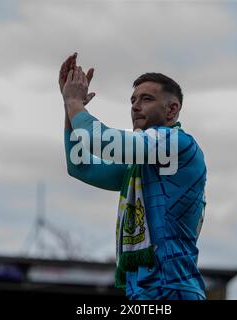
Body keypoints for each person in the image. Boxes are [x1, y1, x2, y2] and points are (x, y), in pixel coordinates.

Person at [59, 52, 207, 300]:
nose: (136, 106)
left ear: (172, 110)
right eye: (133, 100)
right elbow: (80, 166)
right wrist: (69, 107)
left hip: (173, 292)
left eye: (146, 99)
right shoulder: (141, 162)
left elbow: (100, 141)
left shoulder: (177, 143)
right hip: (143, 293)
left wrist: (74, 103)